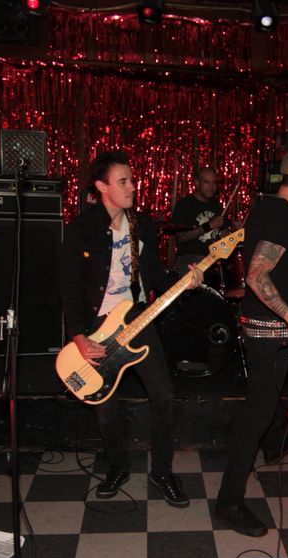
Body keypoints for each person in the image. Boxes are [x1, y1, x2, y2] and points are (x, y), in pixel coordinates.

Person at [59, 150, 202, 508]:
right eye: (123, 181)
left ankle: (163, 472)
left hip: (136, 319)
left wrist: (184, 282)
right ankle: (118, 466)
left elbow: (155, 277)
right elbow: (69, 287)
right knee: (104, 404)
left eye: (132, 180)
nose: (132, 187)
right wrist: (78, 337)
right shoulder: (81, 229)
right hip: (95, 326)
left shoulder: (142, 225)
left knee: (163, 395)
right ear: (101, 186)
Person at [214, 148, 288, 537]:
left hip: (264, 330)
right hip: (267, 331)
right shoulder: (281, 218)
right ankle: (228, 503)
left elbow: (276, 252)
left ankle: (274, 441)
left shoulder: (271, 209)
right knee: (255, 417)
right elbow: (257, 274)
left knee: (266, 402)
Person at [171, 166, 225, 274]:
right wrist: (208, 226)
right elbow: (180, 237)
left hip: (214, 258)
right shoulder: (184, 205)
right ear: (197, 183)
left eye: (214, 183)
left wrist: (231, 234)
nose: (211, 187)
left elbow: (224, 233)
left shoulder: (217, 205)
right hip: (190, 258)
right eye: (207, 182)